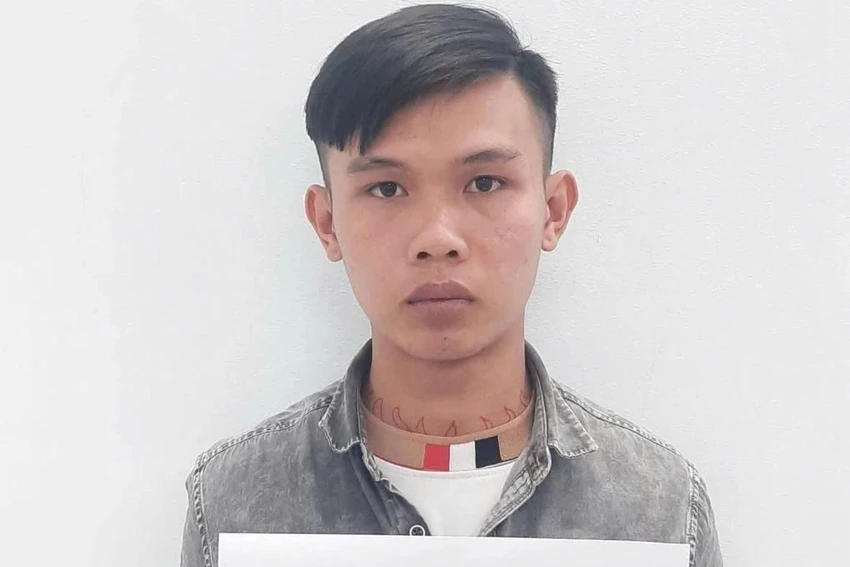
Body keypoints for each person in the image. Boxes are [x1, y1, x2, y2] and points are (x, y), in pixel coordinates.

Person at [180, 4, 723, 566]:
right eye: (387, 189)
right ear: (327, 222)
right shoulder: (233, 499)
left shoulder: (659, 508)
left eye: (484, 182)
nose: (438, 239)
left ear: (554, 210)